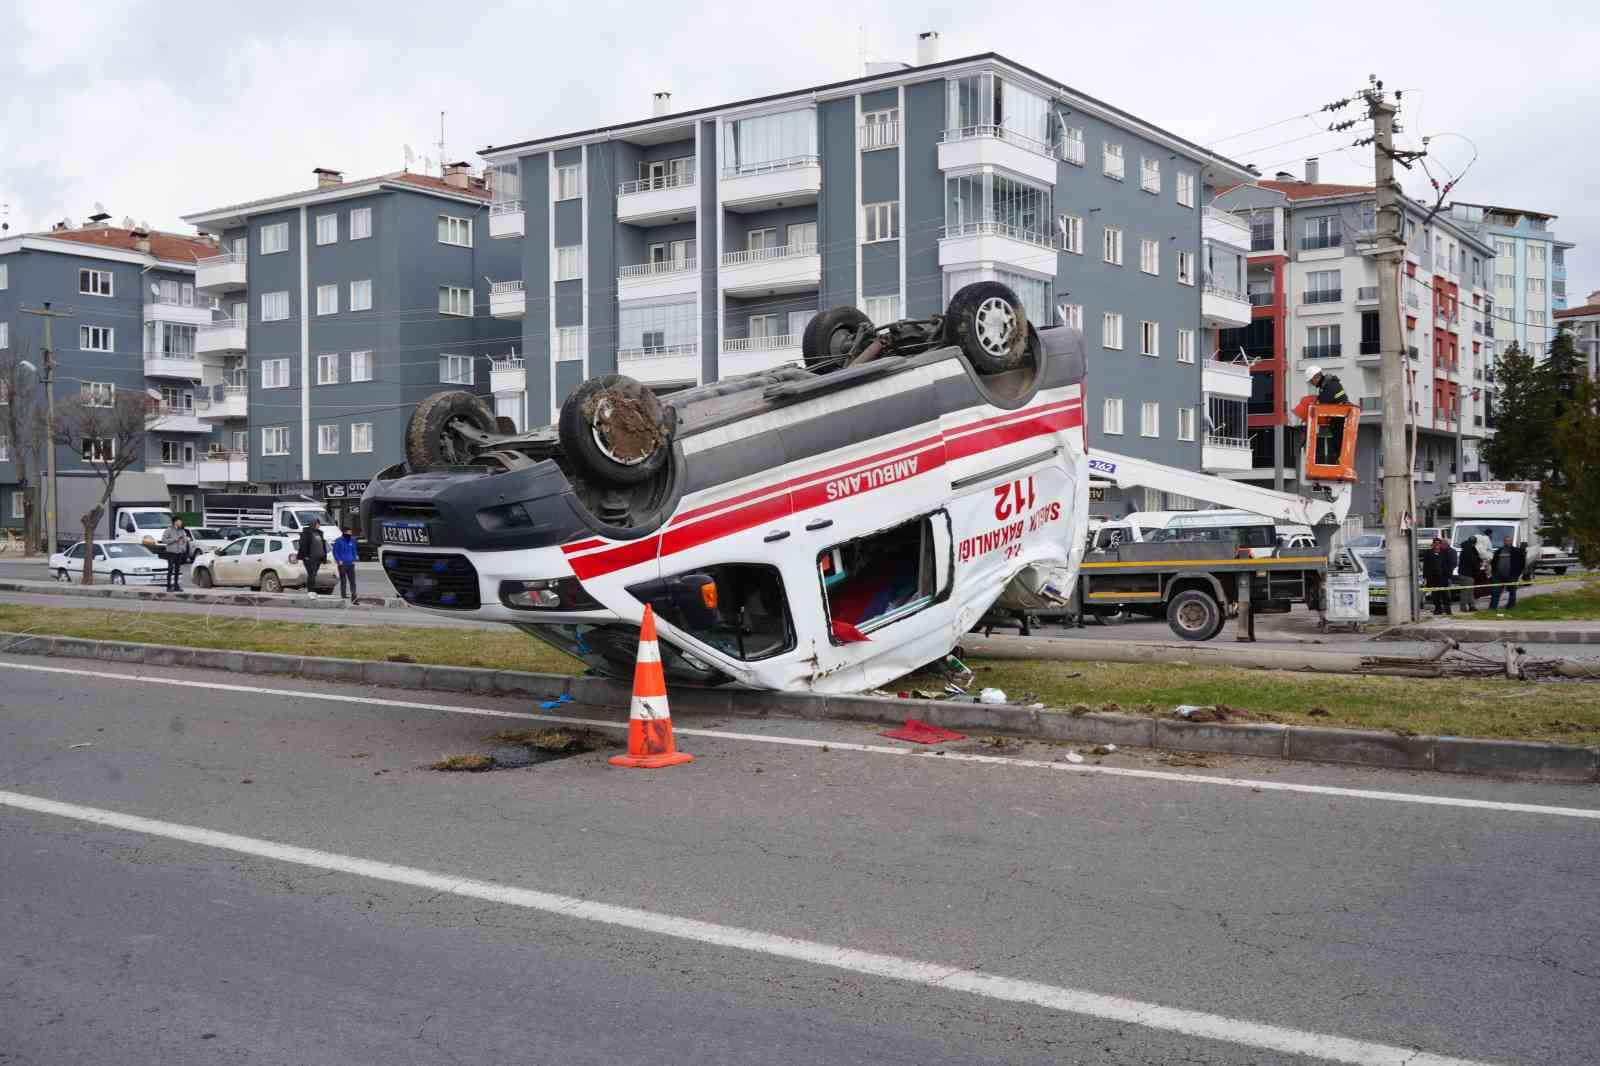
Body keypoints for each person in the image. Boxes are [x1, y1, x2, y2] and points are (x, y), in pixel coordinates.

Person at [1304, 365, 1350, 465]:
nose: (1312, 383)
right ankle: (1339, 460)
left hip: (1341, 419)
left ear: (1316, 377)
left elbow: (1323, 403)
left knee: (1339, 442)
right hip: (1338, 418)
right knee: (1336, 442)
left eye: (1312, 381)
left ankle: (1340, 461)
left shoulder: (1330, 386)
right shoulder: (1326, 385)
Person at [1489, 535, 1527, 612]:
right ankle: (1493, 608)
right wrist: (1494, 573)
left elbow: (1522, 563)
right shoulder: (1498, 551)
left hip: (1512, 575)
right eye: (1506, 540)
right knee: (1495, 592)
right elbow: (1493, 563)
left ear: (1512, 541)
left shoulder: (1517, 551)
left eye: (1509, 540)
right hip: (1498, 576)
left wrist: (1517, 573)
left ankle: (1511, 606)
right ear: (1504, 541)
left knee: (1512, 591)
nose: (1507, 542)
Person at [1423, 536, 1457, 616]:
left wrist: (1449, 576)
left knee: (1445, 594)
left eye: (1439, 544)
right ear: (1433, 544)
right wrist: (1425, 577)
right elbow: (1426, 566)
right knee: (1435, 595)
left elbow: (1449, 565)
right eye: (1435, 544)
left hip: (1443, 577)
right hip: (1432, 578)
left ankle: (1447, 610)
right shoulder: (1428, 553)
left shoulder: (1445, 553)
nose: (1437, 545)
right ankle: (1438, 609)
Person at [157, 516, 192, 592]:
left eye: (181, 521)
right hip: (171, 552)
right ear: (175, 522)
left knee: (177, 570)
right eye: (180, 521)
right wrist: (174, 540)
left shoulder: (182, 530)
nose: (181, 523)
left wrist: (183, 547)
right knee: (170, 569)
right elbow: (164, 540)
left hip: (179, 552)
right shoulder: (168, 530)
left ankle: (176, 586)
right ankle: (169, 586)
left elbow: (184, 540)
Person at [297, 518, 328, 598]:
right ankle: (310, 591)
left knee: (314, 574)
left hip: (318, 558)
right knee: (311, 574)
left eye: (319, 524)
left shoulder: (319, 533)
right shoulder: (306, 533)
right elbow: (303, 545)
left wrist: (324, 557)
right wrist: (306, 556)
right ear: (313, 524)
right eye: (317, 524)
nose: (319, 525)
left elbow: (322, 545)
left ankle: (313, 591)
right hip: (309, 558)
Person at [331, 526, 360, 602]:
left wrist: (354, 558)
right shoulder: (338, 541)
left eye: (351, 532)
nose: (351, 533)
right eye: (349, 532)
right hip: (342, 564)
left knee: (352, 581)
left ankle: (354, 594)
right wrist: (338, 560)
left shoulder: (352, 540)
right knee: (343, 580)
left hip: (351, 564)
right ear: (344, 532)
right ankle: (343, 594)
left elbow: (354, 550)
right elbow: (335, 552)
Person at [1455, 534, 1482, 613]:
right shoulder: (1470, 550)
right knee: (1466, 591)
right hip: (1467, 574)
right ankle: (1463, 607)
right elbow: (1473, 561)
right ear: (1474, 542)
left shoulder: (1466, 548)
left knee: (1469, 591)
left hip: (1464, 573)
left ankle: (1471, 606)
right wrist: (1479, 566)